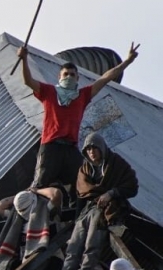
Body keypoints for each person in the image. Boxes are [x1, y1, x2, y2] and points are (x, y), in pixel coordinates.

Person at [17, 43, 139, 192]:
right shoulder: (49, 92)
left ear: (77, 78)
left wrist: (127, 61)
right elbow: (28, 81)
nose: (69, 77)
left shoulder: (82, 95)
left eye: (72, 75)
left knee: (80, 185)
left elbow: (106, 78)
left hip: (70, 147)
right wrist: (24, 59)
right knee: (40, 184)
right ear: (59, 77)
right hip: (51, 146)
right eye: (65, 74)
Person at [49, 132, 139, 270]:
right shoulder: (84, 169)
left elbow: (131, 186)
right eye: (88, 149)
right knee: (74, 243)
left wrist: (111, 193)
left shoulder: (116, 163)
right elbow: (80, 195)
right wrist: (78, 218)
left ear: (102, 148)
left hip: (109, 209)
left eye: (94, 148)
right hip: (88, 209)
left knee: (92, 242)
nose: (91, 152)